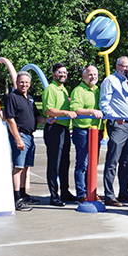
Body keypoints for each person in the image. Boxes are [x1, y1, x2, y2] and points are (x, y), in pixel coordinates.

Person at [99, 56, 128, 207]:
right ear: (117, 66)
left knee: (126, 161)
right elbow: (104, 103)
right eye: (124, 67)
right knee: (113, 160)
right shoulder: (110, 81)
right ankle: (109, 194)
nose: (127, 69)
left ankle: (124, 192)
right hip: (118, 125)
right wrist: (114, 117)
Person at [4, 71, 46, 212]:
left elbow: (37, 117)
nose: (24, 84)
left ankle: (23, 194)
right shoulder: (12, 97)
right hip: (20, 135)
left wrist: (49, 119)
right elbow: (10, 119)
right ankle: (16, 198)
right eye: (21, 82)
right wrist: (18, 139)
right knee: (18, 167)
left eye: (27, 82)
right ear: (16, 82)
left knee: (26, 166)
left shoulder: (30, 99)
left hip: (30, 136)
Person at [42, 63, 78, 206]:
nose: (62, 75)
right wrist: (65, 113)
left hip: (64, 129)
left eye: (64, 72)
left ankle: (65, 192)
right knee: (54, 164)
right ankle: (54, 195)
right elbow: (48, 110)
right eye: (59, 72)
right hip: (54, 129)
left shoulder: (63, 90)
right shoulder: (50, 89)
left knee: (64, 162)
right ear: (53, 74)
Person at [70, 64, 104, 203]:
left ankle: (91, 192)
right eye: (90, 74)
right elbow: (75, 109)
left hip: (97, 131)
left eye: (95, 74)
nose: (93, 77)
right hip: (83, 131)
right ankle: (81, 193)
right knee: (82, 164)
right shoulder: (78, 90)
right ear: (83, 76)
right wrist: (91, 111)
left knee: (93, 163)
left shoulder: (98, 90)